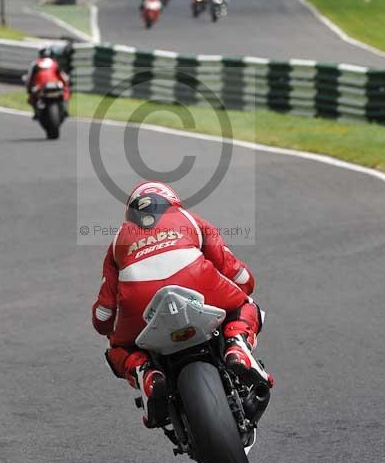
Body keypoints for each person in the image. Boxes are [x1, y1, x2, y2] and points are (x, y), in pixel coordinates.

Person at [92, 181, 273, 426]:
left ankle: (144, 371)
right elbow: (235, 271)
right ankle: (236, 344)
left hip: (140, 305)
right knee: (246, 305)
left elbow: (103, 317)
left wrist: (110, 330)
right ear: (171, 200)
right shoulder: (188, 218)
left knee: (117, 349)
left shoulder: (117, 241)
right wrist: (243, 288)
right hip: (197, 283)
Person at [25, 46, 71, 119]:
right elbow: (62, 76)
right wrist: (66, 84)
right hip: (55, 85)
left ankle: (36, 113)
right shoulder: (54, 63)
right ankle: (65, 110)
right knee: (66, 91)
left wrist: (28, 89)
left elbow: (30, 77)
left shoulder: (35, 63)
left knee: (32, 96)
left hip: (41, 86)